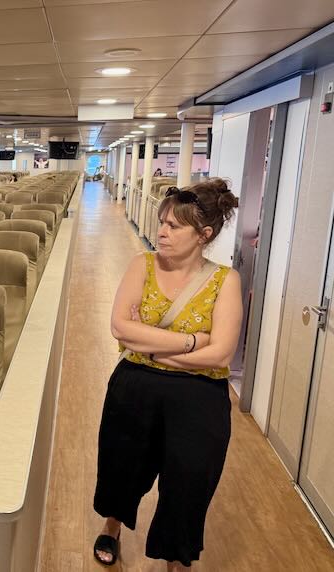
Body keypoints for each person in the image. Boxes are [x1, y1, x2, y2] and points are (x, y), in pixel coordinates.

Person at [92, 179, 242, 570]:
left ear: (203, 235)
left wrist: (152, 346)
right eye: (162, 222)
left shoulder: (225, 281)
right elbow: (120, 329)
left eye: (174, 226)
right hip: (135, 387)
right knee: (123, 466)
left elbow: (222, 352)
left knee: (189, 480)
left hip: (200, 396)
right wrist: (194, 342)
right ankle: (112, 526)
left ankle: (176, 556)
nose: (161, 231)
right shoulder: (141, 264)